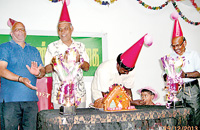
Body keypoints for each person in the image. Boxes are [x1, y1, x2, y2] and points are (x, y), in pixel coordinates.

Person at [0, 18, 45, 130]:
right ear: (11, 33)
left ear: (26, 32)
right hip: (10, 101)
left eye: (22, 29)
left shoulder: (34, 50)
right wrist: (21, 79)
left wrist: (38, 73)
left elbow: (42, 71)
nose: (20, 31)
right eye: (17, 29)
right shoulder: (4, 47)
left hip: (31, 101)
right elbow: (1, 70)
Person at [45, 0, 90, 109]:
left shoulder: (80, 46)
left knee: (79, 124)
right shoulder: (52, 47)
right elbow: (47, 69)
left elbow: (87, 67)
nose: (62, 32)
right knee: (60, 125)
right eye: (59, 29)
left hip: (79, 95)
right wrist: (60, 63)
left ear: (71, 29)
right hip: (59, 95)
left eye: (65, 28)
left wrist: (80, 60)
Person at [92, 34, 152, 107]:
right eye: (124, 71)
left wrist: (131, 103)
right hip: (101, 98)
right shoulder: (104, 70)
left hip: (119, 98)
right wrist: (127, 103)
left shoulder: (130, 70)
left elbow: (128, 89)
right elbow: (106, 96)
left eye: (128, 71)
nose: (127, 73)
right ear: (118, 65)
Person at [163, 13, 200, 127]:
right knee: (176, 117)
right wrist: (167, 76)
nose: (176, 48)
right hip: (176, 91)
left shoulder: (193, 55)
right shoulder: (170, 57)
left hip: (191, 90)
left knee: (194, 116)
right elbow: (166, 74)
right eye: (174, 46)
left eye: (178, 45)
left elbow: (199, 73)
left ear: (185, 43)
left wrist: (185, 75)